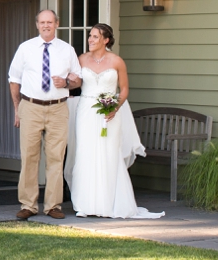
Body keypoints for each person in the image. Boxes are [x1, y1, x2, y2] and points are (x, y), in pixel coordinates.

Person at [64, 23, 164, 219]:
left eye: (94, 37)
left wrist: (114, 108)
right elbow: (73, 81)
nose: (90, 40)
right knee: (86, 154)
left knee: (109, 154)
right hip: (86, 111)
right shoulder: (81, 59)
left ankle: (110, 203)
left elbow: (124, 89)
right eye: (90, 36)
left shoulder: (117, 61)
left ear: (106, 40)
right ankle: (85, 204)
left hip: (109, 112)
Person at [8, 9, 81, 220]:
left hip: (58, 107)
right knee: (29, 157)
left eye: (50, 22)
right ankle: (28, 205)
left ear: (57, 24)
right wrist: (17, 109)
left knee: (56, 158)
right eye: (42, 22)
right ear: (37, 25)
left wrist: (67, 82)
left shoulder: (67, 50)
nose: (46, 25)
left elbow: (78, 79)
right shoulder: (26, 48)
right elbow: (14, 79)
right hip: (30, 106)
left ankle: (53, 206)